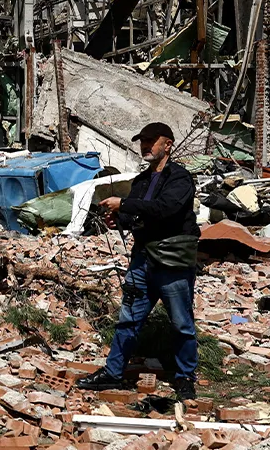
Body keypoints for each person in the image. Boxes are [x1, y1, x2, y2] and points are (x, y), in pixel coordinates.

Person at [77, 122, 201, 400]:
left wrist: (123, 205)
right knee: (128, 320)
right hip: (142, 260)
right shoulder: (141, 180)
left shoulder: (180, 178)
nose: (145, 146)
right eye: (142, 141)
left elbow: (166, 209)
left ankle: (184, 378)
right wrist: (118, 219)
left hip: (172, 263)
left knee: (181, 324)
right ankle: (113, 373)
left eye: (151, 141)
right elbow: (135, 216)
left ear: (167, 145)